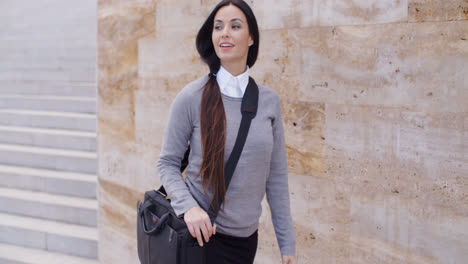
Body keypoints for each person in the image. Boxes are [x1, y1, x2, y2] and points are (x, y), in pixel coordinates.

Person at [157, 1, 297, 263]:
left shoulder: (268, 102)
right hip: (200, 238)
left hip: (246, 243)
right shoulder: (191, 96)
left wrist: (286, 243)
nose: (225, 33)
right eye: (218, 27)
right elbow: (167, 163)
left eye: (235, 26)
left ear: (251, 37)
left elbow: (276, 176)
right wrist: (188, 208)